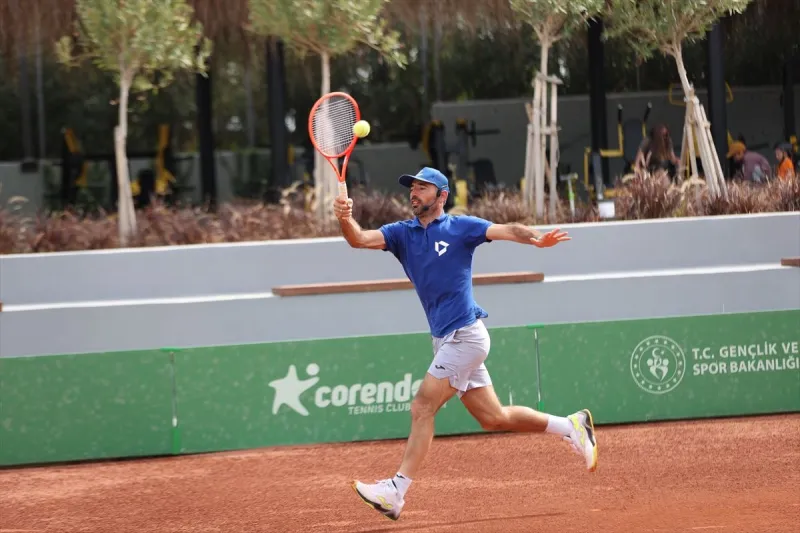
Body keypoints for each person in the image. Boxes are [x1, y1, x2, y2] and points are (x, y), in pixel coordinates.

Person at [333, 167, 598, 522]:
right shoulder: (401, 234)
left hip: (466, 335)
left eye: (422, 188)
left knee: (422, 408)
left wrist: (536, 238)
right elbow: (358, 239)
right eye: (412, 187)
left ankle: (395, 492)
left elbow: (506, 230)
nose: (414, 193)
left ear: (441, 196)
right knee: (494, 417)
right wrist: (344, 217)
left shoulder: (461, 227)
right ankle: (571, 426)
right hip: (445, 338)